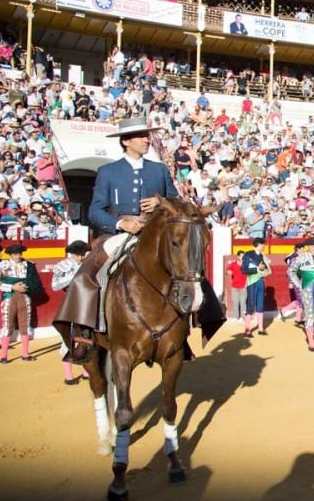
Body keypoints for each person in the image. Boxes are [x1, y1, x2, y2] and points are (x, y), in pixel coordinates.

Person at [53, 116, 225, 363]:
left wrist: (160, 202)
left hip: (153, 236)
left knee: (188, 269)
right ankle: (83, 334)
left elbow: (177, 204)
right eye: (141, 136)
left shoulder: (159, 169)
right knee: (86, 273)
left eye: (146, 135)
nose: (147, 139)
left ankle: (184, 333)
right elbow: (95, 210)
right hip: (119, 235)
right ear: (126, 141)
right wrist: (121, 223)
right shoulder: (108, 171)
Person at [49, 240, 91, 383]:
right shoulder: (62, 266)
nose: (81, 257)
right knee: (69, 337)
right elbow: (55, 286)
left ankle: (86, 371)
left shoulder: (87, 263)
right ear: (72, 254)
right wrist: (73, 277)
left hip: (86, 302)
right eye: (78, 255)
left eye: (82, 254)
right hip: (70, 303)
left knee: (87, 335)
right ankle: (68, 375)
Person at [0, 245, 44, 363]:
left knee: (25, 326)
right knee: (7, 325)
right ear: (10, 255)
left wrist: (28, 288)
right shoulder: (1, 266)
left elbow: (35, 283)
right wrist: (12, 286)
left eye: (20, 254)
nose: (18, 256)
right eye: (15, 254)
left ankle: (25, 354)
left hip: (25, 297)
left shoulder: (28, 265)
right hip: (9, 298)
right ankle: (4, 356)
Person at [240, 237, 270, 337]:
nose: (264, 246)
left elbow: (265, 269)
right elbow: (244, 270)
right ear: (259, 244)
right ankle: (247, 329)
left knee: (260, 304)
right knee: (251, 304)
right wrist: (258, 269)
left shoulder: (261, 255)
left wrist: (265, 271)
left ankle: (261, 328)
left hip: (260, 281)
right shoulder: (248, 255)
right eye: (263, 244)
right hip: (252, 282)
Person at [227, 250, 249, 329]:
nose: (242, 258)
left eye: (244, 257)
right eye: (241, 256)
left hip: (243, 286)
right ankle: (236, 317)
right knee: (235, 302)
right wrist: (229, 272)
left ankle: (243, 317)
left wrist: (246, 284)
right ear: (238, 256)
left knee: (243, 303)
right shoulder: (233, 264)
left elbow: (249, 275)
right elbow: (228, 270)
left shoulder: (246, 265)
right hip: (235, 286)